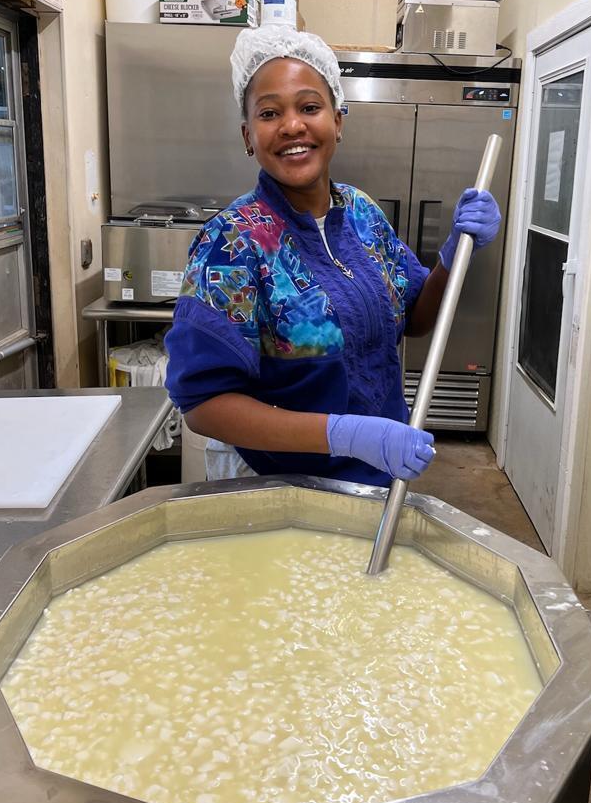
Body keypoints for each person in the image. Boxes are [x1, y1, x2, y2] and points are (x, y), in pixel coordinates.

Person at [164, 26, 501, 487]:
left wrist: (453, 255)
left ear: (338, 120)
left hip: (380, 475)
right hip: (276, 486)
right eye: (269, 113)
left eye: (309, 106)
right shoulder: (232, 243)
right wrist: (341, 434)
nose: (292, 126)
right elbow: (203, 405)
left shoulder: (362, 214)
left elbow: (418, 319)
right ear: (248, 136)